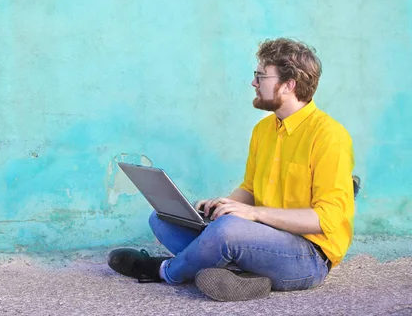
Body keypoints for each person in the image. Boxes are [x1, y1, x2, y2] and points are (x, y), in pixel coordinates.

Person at [107, 38, 356, 302]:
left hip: (308, 256)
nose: (254, 83)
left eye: (261, 76)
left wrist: (252, 214)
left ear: (289, 85)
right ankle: (242, 275)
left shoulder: (330, 136)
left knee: (227, 231)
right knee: (164, 218)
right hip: (260, 237)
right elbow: (250, 188)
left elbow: (325, 219)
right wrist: (223, 204)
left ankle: (166, 270)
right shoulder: (263, 130)